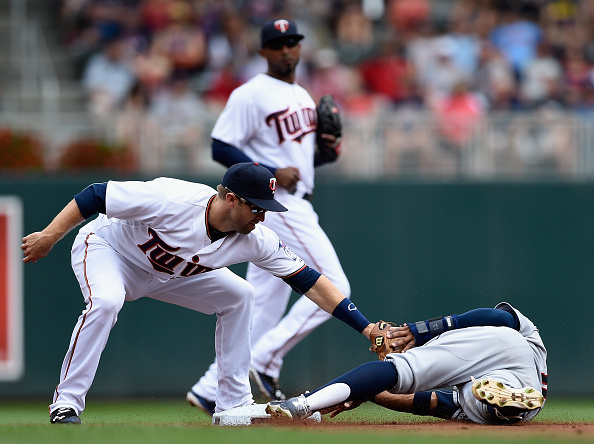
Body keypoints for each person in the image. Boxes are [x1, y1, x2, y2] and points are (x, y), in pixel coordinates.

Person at [21, 162, 374, 424]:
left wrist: (366, 328)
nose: (262, 217)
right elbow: (96, 194)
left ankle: (232, 405)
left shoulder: (256, 237)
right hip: (108, 251)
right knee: (107, 302)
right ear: (231, 199)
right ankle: (66, 403)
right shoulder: (171, 199)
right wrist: (50, 235)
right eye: (256, 207)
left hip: (170, 273)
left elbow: (309, 280)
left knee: (240, 295)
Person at [186, 18, 351, 414]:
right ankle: (264, 359)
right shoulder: (251, 93)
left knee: (262, 304)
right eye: (277, 44)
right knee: (335, 286)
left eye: (292, 41)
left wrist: (323, 153)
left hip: (296, 196)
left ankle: (211, 388)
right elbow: (220, 146)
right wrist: (270, 171)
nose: (287, 49)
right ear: (263, 52)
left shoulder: (304, 97)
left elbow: (301, 159)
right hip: (280, 203)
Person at [267, 302, 547, 425]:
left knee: (401, 370)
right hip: (527, 379)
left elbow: (425, 402)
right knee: (482, 405)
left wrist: (427, 329)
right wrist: (364, 390)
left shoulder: (456, 353)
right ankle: (507, 408)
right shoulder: (521, 347)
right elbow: (504, 320)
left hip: (500, 361)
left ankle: (304, 402)